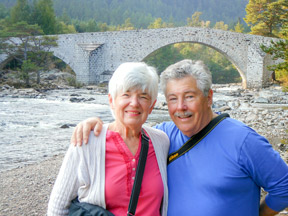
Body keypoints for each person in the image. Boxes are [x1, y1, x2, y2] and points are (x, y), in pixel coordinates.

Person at [71, 59, 288, 216]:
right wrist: (95, 123)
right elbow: (128, 129)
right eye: (173, 99)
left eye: (189, 97)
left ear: (209, 97)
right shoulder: (163, 136)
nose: (181, 107)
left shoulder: (243, 140)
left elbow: (284, 186)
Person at [47, 62, 169, 216]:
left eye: (143, 96)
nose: (134, 103)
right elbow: (57, 208)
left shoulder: (161, 142)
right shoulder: (87, 141)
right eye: (126, 94)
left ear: (152, 106)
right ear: (111, 100)